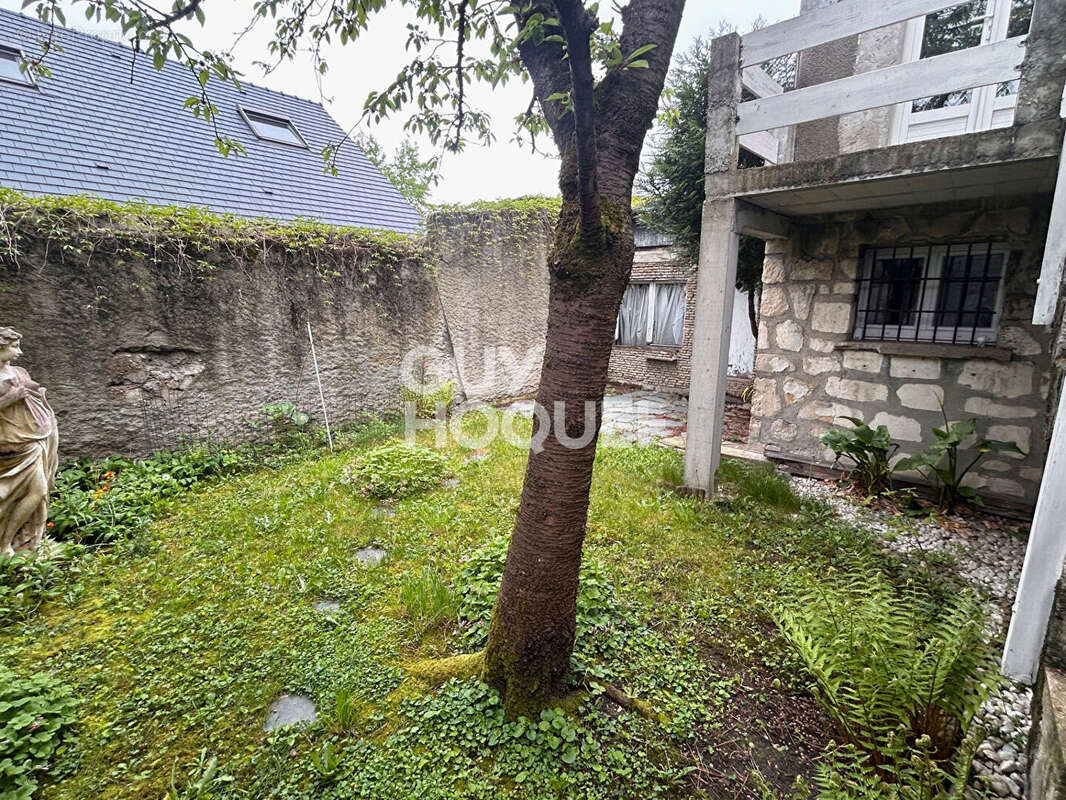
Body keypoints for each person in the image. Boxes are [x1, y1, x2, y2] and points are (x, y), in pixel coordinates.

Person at [0, 327, 58, 554]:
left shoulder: (19, 372)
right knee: (6, 497)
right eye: (14, 347)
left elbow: (32, 395)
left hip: (32, 442)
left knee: (39, 492)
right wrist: (11, 397)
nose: (19, 352)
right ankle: (4, 544)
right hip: (8, 447)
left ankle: (11, 542)